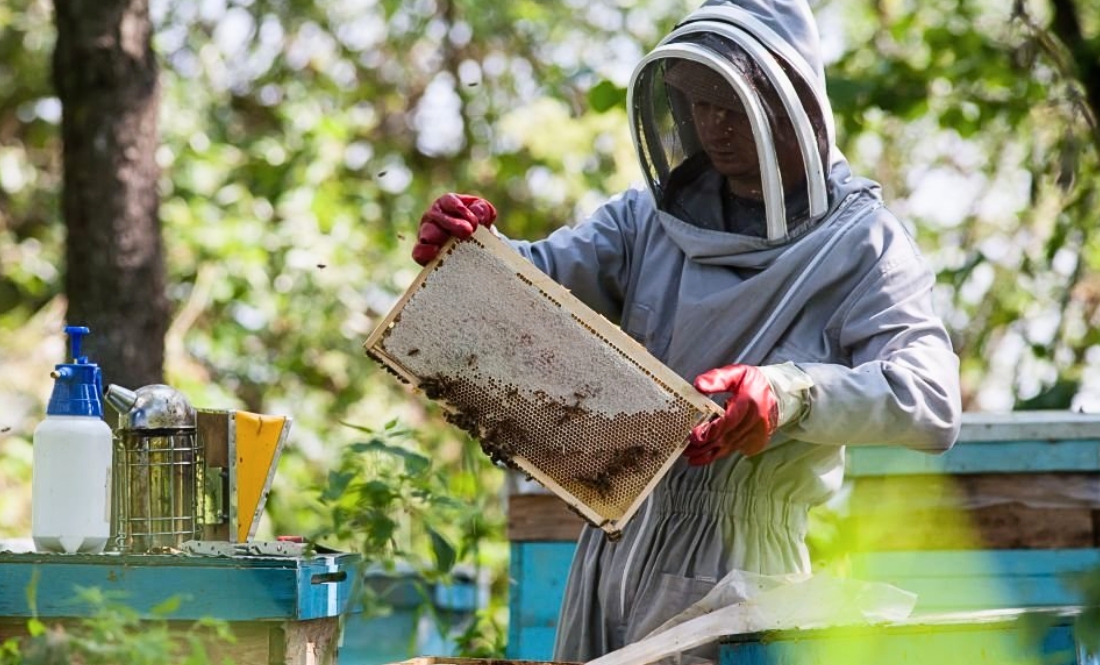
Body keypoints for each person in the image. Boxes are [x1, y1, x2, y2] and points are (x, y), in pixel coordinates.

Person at [411, 0, 962, 661]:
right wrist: (474, 250)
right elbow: (538, 284)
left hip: (741, 566)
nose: (713, 125)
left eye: (731, 103)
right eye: (697, 103)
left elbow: (929, 399)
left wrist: (789, 393)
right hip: (609, 548)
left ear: (791, 105)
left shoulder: (865, 243)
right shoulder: (646, 219)